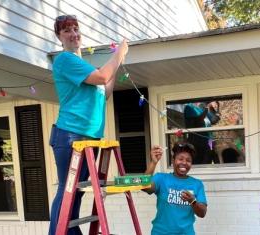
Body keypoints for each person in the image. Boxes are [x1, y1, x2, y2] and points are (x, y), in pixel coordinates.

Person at [49, 15, 128, 235]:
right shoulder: (65, 60)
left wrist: (117, 64)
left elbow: (106, 92)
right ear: (59, 36)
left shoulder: (84, 66)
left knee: (77, 192)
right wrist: (118, 53)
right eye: (67, 31)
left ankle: (70, 232)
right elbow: (103, 77)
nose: (73, 34)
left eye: (75, 29)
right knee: (67, 191)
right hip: (71, 136)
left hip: (88, 137)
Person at [143, 142, 207, 235]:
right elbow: (145, 187)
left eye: (188, 160)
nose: (184, 163)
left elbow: (202, 213)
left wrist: (193, 201)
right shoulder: (161, 178)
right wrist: (153, 162)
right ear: (173, 160)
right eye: (180, 159)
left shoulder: (197, 184)